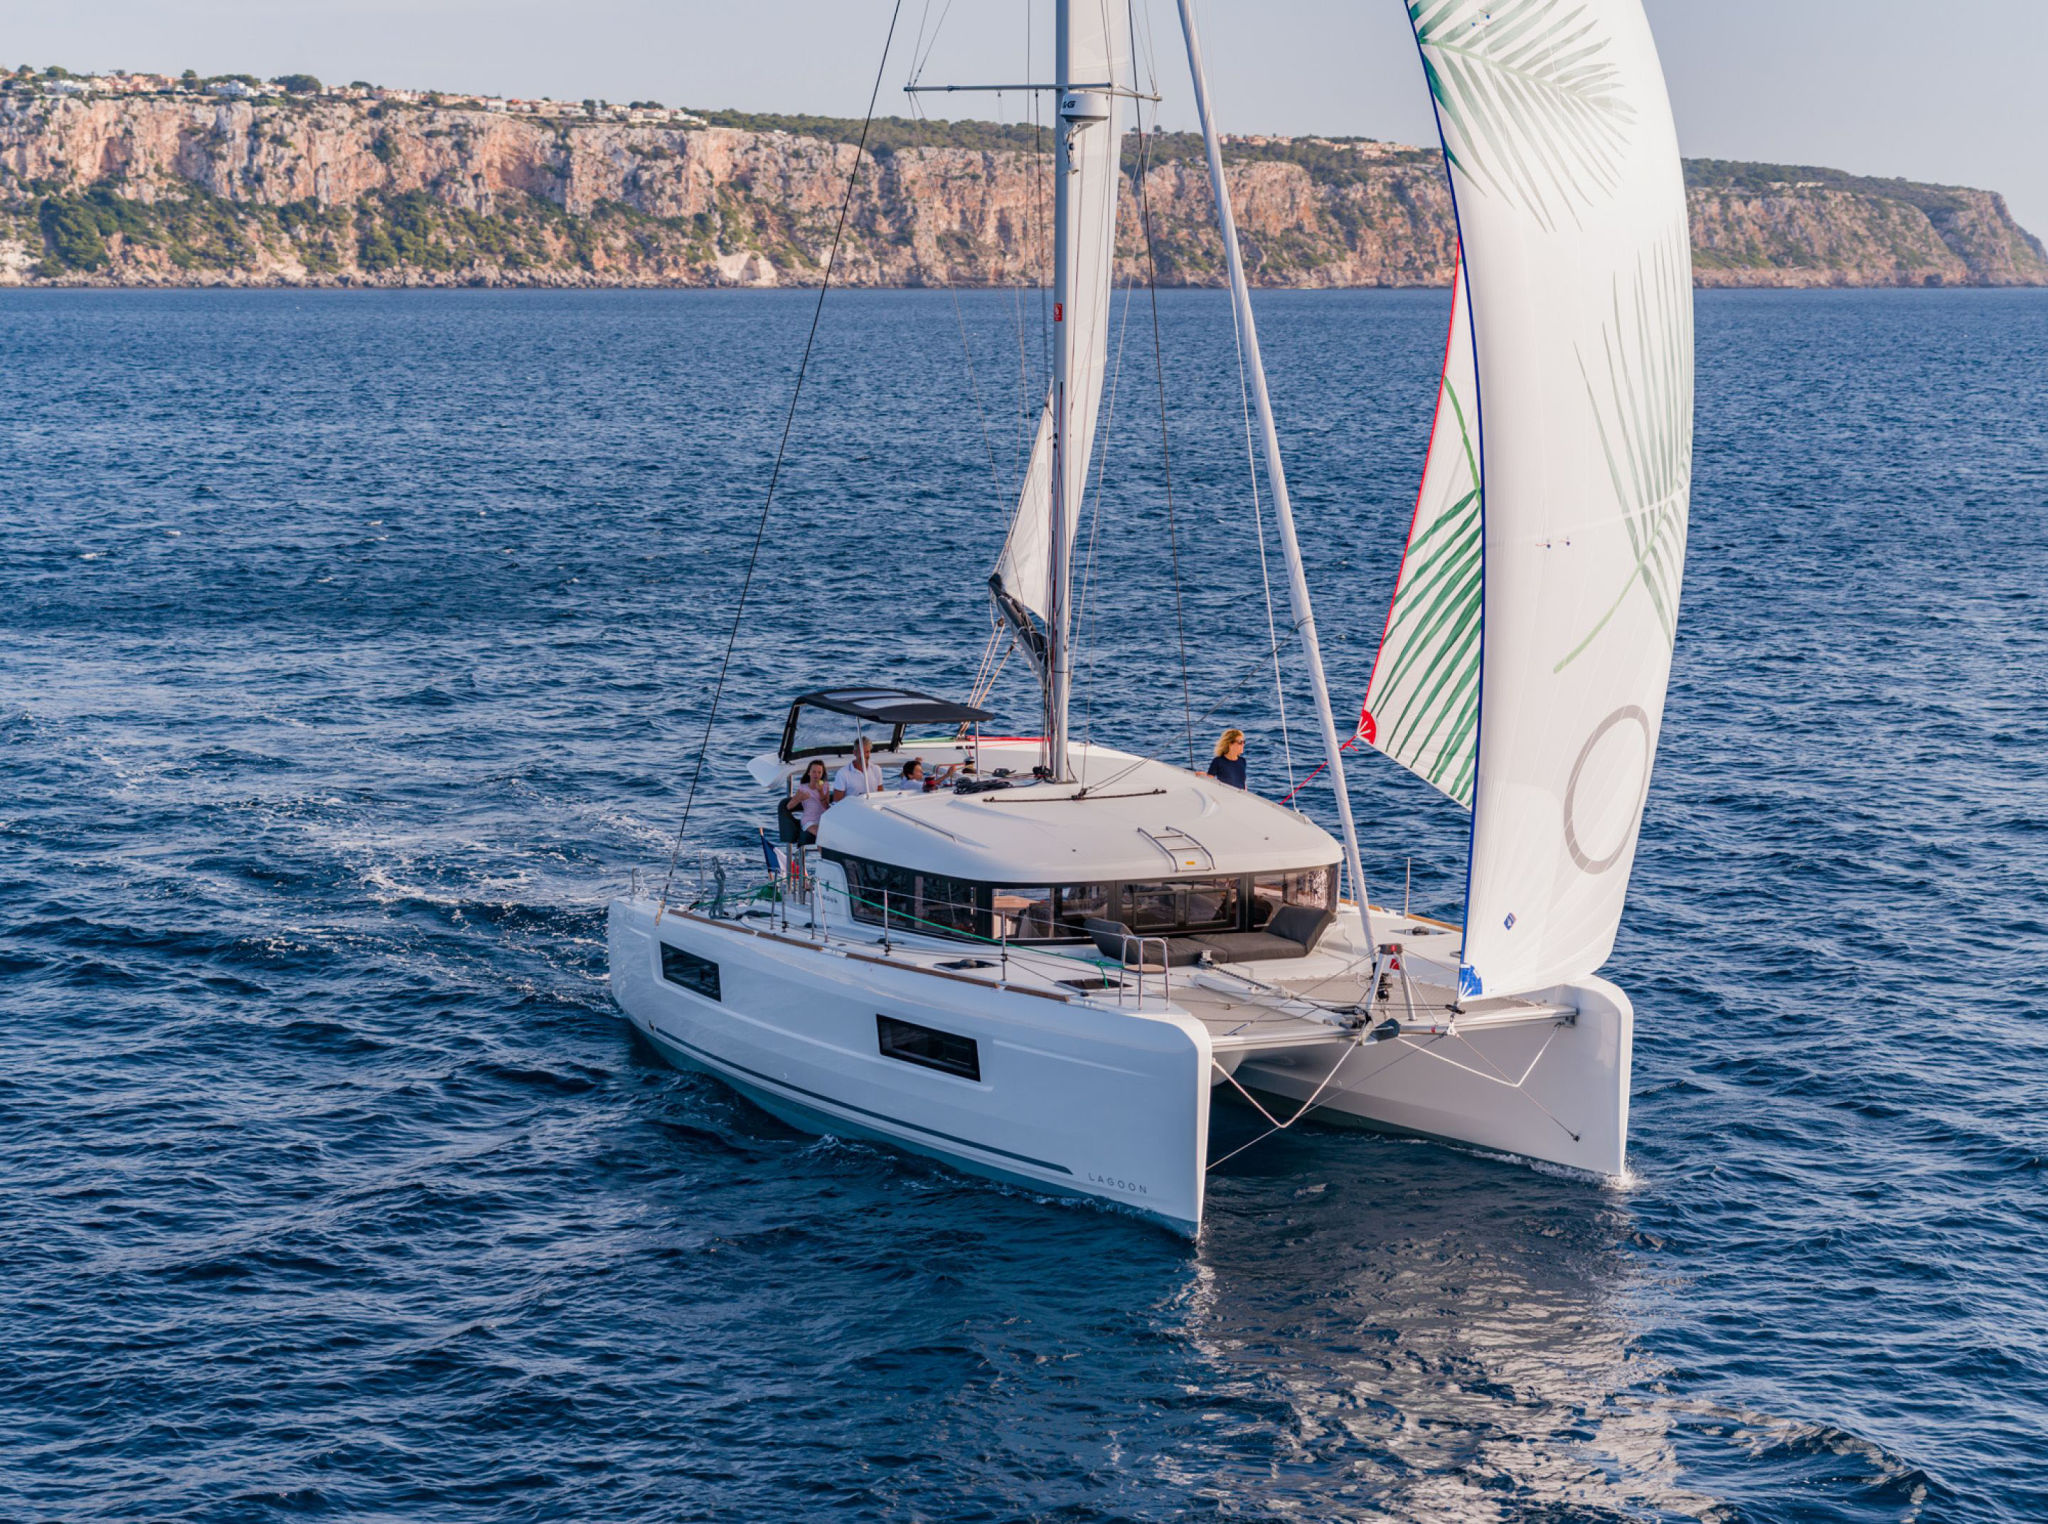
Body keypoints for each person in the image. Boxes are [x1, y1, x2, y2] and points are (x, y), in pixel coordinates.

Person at [789, 759, 832, 842]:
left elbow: (826, 807)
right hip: (809, 821)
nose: (816, 775)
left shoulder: (825, 786)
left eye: (819, 772)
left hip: (823, 819)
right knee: (821, 834)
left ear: (822, 774)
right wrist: (799, 798)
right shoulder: (803, 788)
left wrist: (820, 791)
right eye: (814, 772)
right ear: (809, 772)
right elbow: (789, 806)